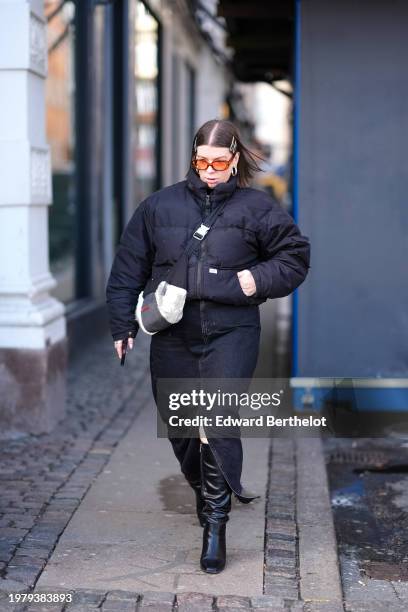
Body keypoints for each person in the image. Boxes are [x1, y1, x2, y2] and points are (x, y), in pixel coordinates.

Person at [106, 119, 310, 574]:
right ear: (193, 157)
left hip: (232, 330)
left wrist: (253, 278)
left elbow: (295, 257)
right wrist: (123, 325)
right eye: (202, 161)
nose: (210, 170)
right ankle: (206, 488)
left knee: (216, 420)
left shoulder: (258, 209)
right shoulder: (158, 207)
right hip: (173, 333)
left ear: (235, 160)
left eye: (220, 162)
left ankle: (215, 524)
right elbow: (128, 269)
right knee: (179, 424)